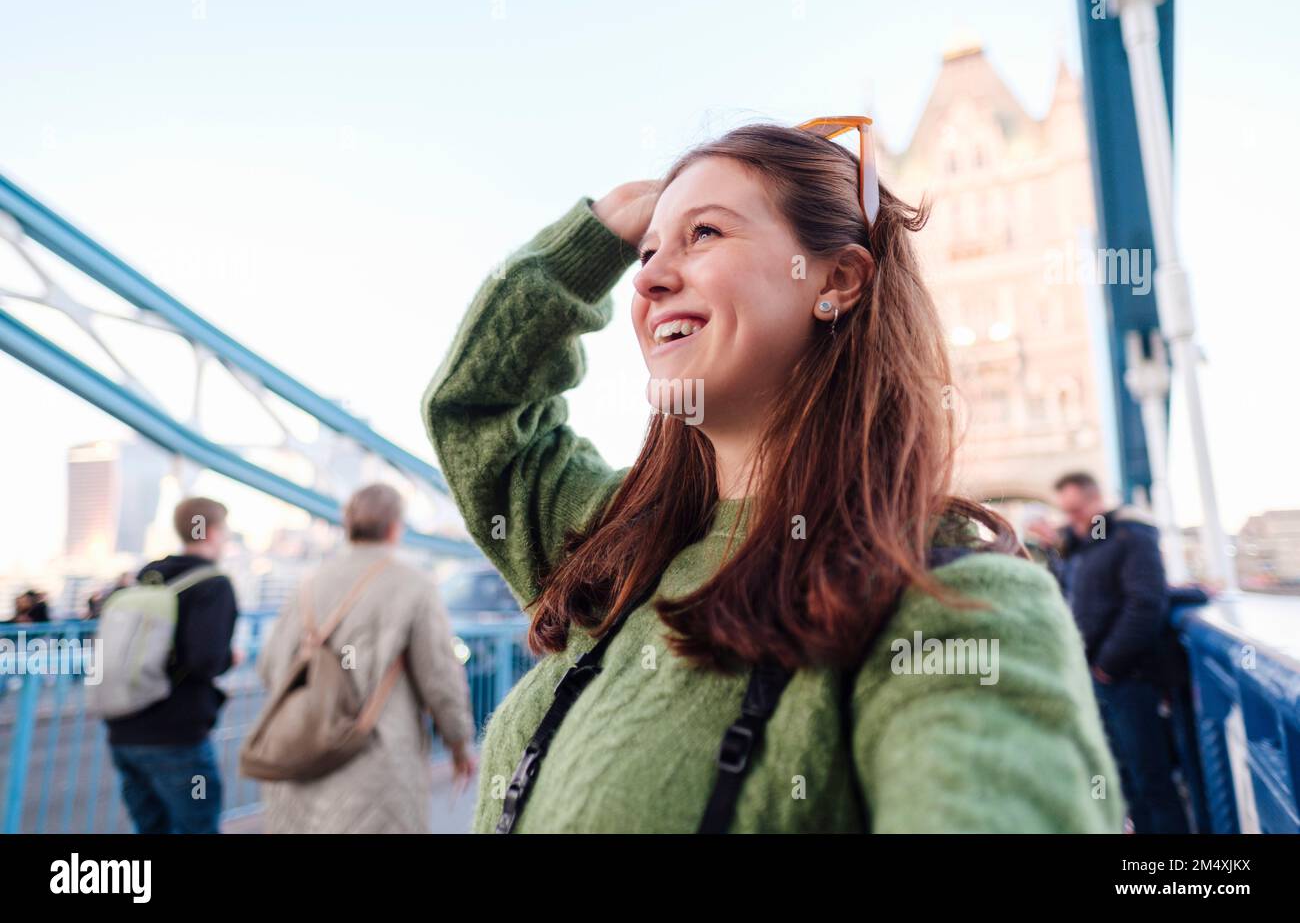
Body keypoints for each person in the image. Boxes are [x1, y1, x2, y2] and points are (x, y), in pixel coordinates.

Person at [421, 121, 1125, 833]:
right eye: (646, 251)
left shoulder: (946, 604)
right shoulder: (613, 542)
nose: (649, 279)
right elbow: (476, 411)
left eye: (705, 235)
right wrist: (599, 232)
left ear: (838, 280)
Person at [255, 483, 477, 833]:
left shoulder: (308, 584)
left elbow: (270, 667)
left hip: (302, 762)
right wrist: (459, 744)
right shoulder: (414, 585)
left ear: (348, 525)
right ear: (395, 527)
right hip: (378, 766)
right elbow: (440, 677)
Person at [1031, 471, 1191, 834]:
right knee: (1124, 782)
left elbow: (1146, 603)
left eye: (1076, 511)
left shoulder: (1130, 535)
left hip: (1129, 678)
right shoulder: (1085, 544)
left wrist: (1107, 666)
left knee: (1152, 781)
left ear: (1096, 500)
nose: (1071, 520)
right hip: (1097, 679)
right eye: (1065, 513)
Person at [106, 496, 240, 834]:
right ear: (211, 532)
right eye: (225, 531)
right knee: (198, 827)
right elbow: (206, 660)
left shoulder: (148, 576)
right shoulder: (213, 584)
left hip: (124, 733)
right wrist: (230, 658)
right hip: (178, 737)